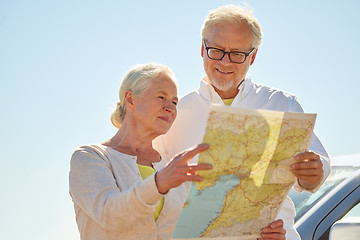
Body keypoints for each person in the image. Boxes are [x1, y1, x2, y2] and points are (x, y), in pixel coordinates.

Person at [153, 4, 331, 240]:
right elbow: (151, 187)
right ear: (202, 49)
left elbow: (317, 169)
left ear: (253, 56)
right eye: (216, 50)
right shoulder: (174, 113)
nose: (225, 62)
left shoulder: (282, 104)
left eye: (237, 54)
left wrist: (314, 173)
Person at [69, 63, 286, 240]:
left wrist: (255, 235)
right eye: (161, 97)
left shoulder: (172, 169)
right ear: (130, 98)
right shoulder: (90, 157)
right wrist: (159, 183)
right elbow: (110, 215)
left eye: (174, 101)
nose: (171, 107)